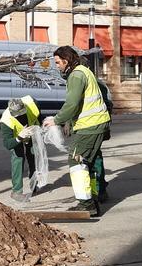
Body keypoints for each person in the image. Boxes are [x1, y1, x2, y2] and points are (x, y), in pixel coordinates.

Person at [43, 45, 111, 217]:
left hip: (90, 126)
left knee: (76, 160)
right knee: (89, 162)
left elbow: (72, 104)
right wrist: (69, 122)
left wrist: (56, 120)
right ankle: (94, 199)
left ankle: (86, 204)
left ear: (66, 61)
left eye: (58, 63)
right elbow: (81, 103)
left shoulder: (76, 75)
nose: (57, 66)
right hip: (97, 123)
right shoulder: (84, 71)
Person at [0, 96, 41, 202]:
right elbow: (7, 144)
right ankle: (16, 192)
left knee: (33, 155)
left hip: (31, 131)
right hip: (17, 136)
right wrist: (19, 137)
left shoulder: (32, 104)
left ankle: (34, 184)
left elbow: (39, 116)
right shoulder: (6, 121)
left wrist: (39, 128)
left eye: (22, 114)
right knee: (18, 158)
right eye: (18, 116)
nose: (20, 117)